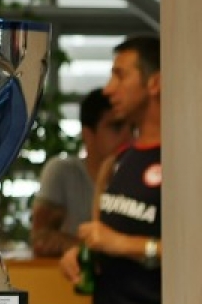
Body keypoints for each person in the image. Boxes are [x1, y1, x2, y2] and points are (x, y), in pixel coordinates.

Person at [60, 35, 162, 304]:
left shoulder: (181, 162)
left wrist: (121, 244)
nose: (108, 89)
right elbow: (102, 237)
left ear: (155, 83)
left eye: (120, 76)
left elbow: (200, 250)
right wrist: (81, 255)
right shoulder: (116, 161)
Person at [30, 88, 132, 257]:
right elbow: (40, 239)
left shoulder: (139, 176)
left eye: (133, 128)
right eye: (116, 127)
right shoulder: (62, 171)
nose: (128, 137)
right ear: (88, 135)